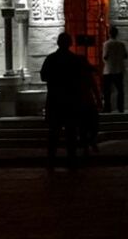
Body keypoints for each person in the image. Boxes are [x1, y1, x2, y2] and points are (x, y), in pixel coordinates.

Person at [40, 32, 84, 169]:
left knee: (53, 134)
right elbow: (80, 80)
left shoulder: (51, 59)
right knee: (71, 134)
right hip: (70, 101)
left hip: (55, 101)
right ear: (70, 43)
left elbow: (43, 76)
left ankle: (51, 162)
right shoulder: (75, 60)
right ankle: (72, 162)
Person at [102, 26, 128, 113]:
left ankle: (107, 108)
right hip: (119, 69)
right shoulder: (121, 44)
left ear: (109, 34)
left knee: (107, 91)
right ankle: (120, 108)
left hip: (109, 70)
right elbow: (125, 56)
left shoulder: (106, 44)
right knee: (120, 90)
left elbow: (105, 56)